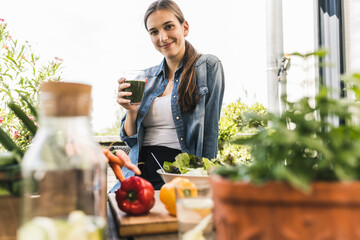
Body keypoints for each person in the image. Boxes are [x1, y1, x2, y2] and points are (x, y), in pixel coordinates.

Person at [114, 0, 225, 190]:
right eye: (154, 32)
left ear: (185, 27)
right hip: (136, 170)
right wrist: (131, 112)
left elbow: (210, 133)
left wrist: (205, 183)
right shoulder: (146, 77)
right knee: (110, 213)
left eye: (169, 27)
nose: (163, 37)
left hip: (175, 173)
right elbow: (130, 139)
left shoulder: (207, 67)